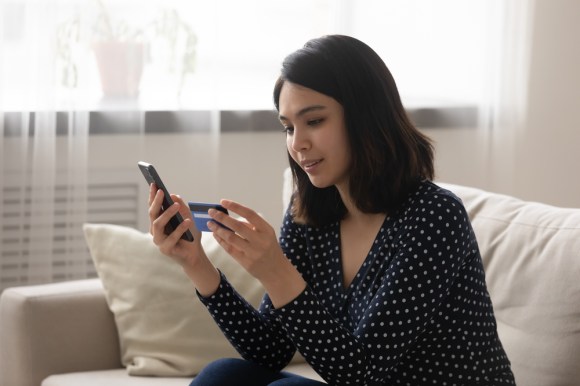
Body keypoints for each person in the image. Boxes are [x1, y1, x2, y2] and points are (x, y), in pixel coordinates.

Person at [147, 34, 516, 386]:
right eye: (288, 127)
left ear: (365, 116)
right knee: (223, 375)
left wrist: (277, 273)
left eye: (315, 121)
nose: (298, 143)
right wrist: (196, 263)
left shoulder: (434, 218)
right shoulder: (309, 214)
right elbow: (270, 351)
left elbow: (361, 374)